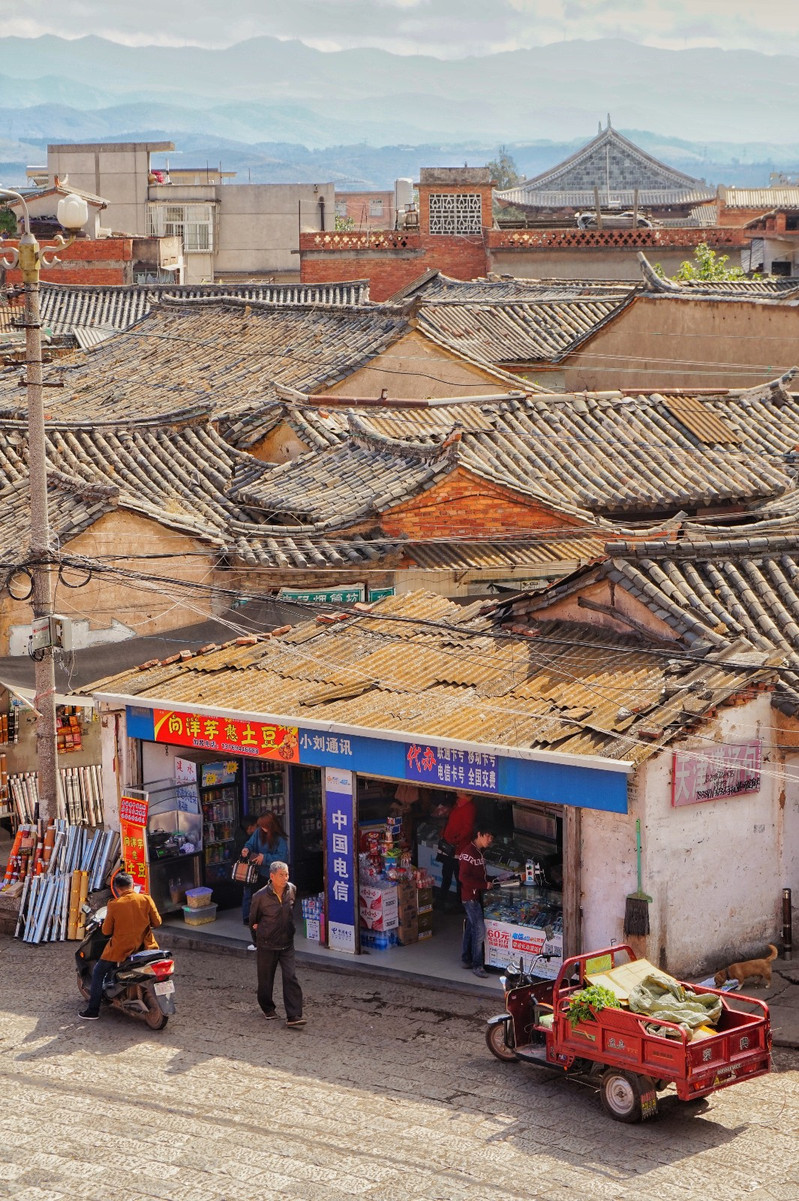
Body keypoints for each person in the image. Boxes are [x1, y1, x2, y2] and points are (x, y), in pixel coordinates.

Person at [79, 872, 162, 1020]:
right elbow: (157, 923)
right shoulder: (146, 899)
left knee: (98, 972)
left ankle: (93, 1011)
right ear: (132, 885)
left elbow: (106, 931)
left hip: (120, 949)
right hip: (145, 947)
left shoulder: (114, 905)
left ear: (117, 888)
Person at [248, 860, 305, 1027]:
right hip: (266, 943)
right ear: (272, 876)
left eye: (286, 874)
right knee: (265, 979)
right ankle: (267, 1008)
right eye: (281, 875)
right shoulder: (260, 896)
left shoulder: (292, 890)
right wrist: (257, 939)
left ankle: (294, 1015)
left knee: (291, 977)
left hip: (287, 942)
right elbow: (253, 921)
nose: (285, 878)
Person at [457, 827, 495, 978]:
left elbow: (481, 876)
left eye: (492, 837)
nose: (490, 840)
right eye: (488, 836)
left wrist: (494, 880)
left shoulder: (479, 853)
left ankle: (466, 959)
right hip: (470, 898)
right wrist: (484, 885)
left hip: (476, 897)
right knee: (479, 931)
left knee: (471, 928)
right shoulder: (468, 853)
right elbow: (463, 878)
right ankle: (477, 965)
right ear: (479, 834)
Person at [437, 791, 476, 909]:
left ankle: (459, 903)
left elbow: (468, 828)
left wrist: (456, 839)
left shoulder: (469, 807)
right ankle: (441, 900)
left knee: (458, 876)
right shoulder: (458, 804)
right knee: (446, 874)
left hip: (458, 848)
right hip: (449, 843)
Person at [241, 812, 288, 889]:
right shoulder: (259, 831)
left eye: (264, 826)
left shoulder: (280, 839)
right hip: (257, 873)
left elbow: (283, 858)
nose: (261, 828)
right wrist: (246, 849)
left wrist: (264, 858)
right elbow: (250, 843)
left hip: (272, 876)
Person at [234, 816, 259, 926]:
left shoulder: (239, 834)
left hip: (243, 869)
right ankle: (247, 917)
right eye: (256, 826)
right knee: (248, 892)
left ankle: (247, 916)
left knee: (247, 893)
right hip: (247, 870)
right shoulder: (245, 840)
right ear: (250, 828)